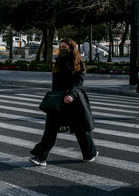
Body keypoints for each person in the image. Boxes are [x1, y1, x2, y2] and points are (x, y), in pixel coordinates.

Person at [29, 38, 98, 166]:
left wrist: (71, 95)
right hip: (58, 101)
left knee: (81, 130)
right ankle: (40, 156)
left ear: (71, 48)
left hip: (74, 100)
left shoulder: (79, 64)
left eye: (64, 47)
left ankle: (90, 153)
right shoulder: (58, 62)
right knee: (50, 129)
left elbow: (78, 83)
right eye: (60, 47)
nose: (61, 49)